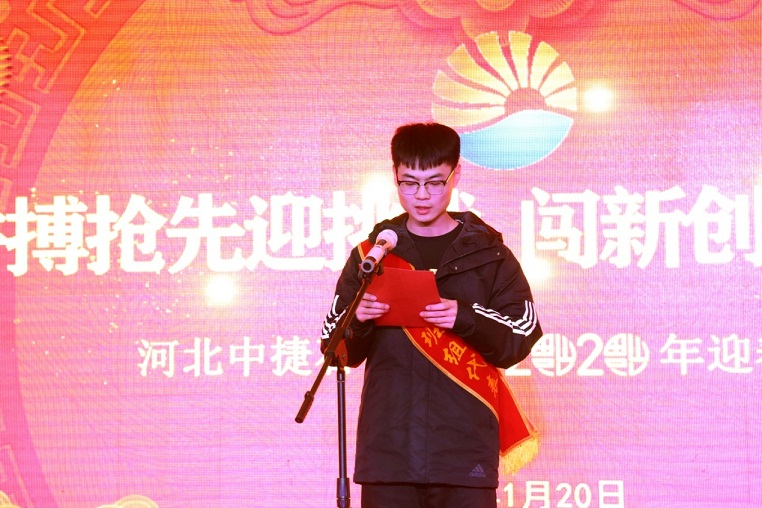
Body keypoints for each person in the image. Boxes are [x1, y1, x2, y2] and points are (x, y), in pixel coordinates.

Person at [321, 122, 543, 508]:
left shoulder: (490, 255)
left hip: (464, 452)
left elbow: (522, 334)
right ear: (395, 176)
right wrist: (358, 319)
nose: (421, 195)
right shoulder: (371, 255)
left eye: (435, 182)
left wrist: (465, 316)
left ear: (456, 175)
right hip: (389, 453)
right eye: (409, 183)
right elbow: (333, 348)